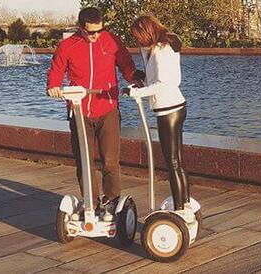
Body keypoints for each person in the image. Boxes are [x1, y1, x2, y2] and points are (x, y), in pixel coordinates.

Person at [46, 7, 143, 218]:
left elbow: (126, 64)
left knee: (110, 160)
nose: (96, 35)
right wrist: (53, 85)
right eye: (91, 32)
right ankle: (91, 202)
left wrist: (134, 78)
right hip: (79, 110)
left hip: (107, 108)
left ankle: (112, 200)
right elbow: (56, 69)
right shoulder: (67, 46)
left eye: (100, 30)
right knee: (84, 160)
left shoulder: (112, 41)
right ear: (80, 28)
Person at [122, 15, 190, 211]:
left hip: (168, 110)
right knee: (178, 161)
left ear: (146, 33)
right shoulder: (157, 48)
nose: (137, 41)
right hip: (174, 106)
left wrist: (137, 92)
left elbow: (163, 84)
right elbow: (157, 78)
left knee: (173, 163)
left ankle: (179, 209)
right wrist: (141, 80)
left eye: (138, 37)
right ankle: (184, 205)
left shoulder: (161, 51)